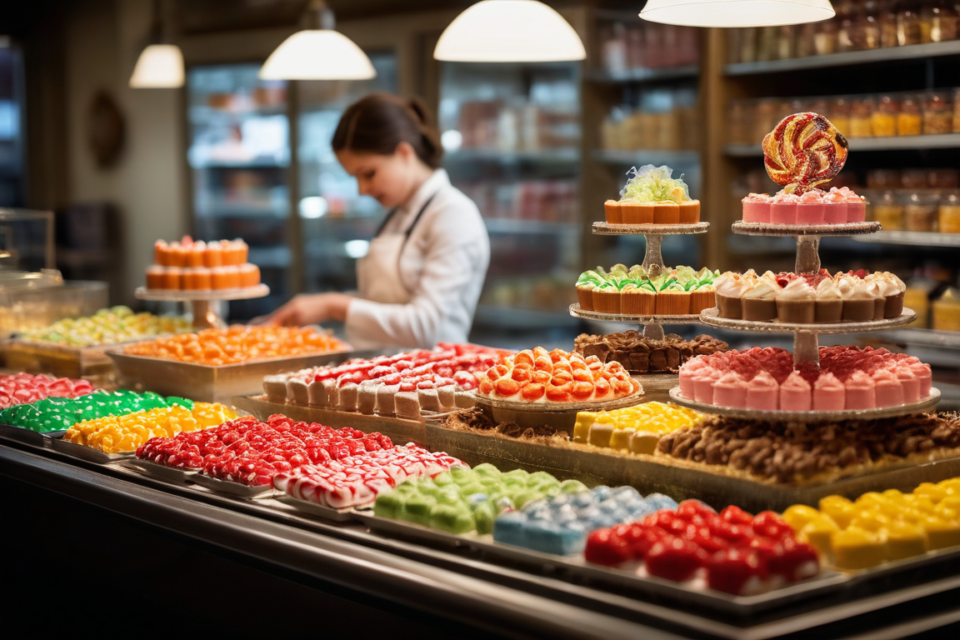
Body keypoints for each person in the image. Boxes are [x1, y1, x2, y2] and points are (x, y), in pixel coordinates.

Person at [261, 93, 490, 350]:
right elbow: (381, 304)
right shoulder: (399, 215)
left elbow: (429, 328)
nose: (362, 189)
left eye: (368, 173)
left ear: (404, 152)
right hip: (383, 376)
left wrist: (331, 305)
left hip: (435, 380)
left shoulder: (452, 214)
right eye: (354, 178)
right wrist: (318, 309)